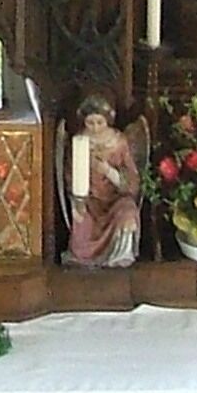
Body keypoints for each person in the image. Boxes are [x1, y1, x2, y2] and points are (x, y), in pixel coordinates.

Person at [62, 94, 146, 268]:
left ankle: (121, 255)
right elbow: (71, 174)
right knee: (82, 223)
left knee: (127, 213)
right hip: (90, 199)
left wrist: (108, 171)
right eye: (90, 123)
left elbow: (132, 178)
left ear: (108, 120)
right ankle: (86, 256)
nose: (95, 127)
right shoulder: (79, 142)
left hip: (116, 198)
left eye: (99, 122)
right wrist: (78, 198)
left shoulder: (119, 142)